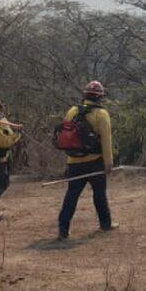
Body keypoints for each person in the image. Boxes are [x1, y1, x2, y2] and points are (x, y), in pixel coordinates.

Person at [57, 81, 115, 240]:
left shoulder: (72, 111)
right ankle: (105, 224)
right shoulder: (102, 114)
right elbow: (106, 141)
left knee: (71, 195)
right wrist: (108, 163)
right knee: (99, 194)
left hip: (74, 162)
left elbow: (66, 138)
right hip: (95, 162)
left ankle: (63, 229)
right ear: (100, 97)